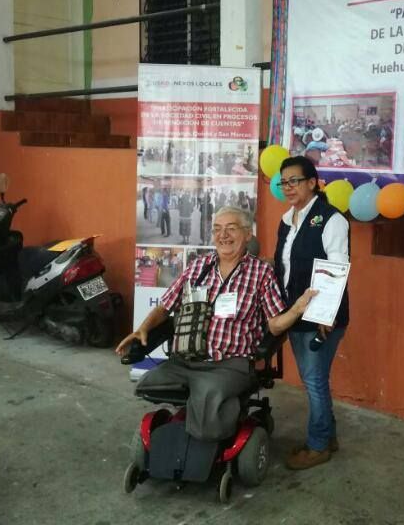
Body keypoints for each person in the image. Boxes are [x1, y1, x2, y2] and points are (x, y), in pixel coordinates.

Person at [116, 207, 315, 442]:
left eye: (231, 228)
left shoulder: (261, 273)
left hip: (230, 364)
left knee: (209, 403)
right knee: (150, 383)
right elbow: (165, 306)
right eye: (217, 229)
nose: (223, 235)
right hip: (187, 360)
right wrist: (143, 328)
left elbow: (274, 325)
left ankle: (214, 429)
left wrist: (297, 309)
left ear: (247, 234)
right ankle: (201, 417)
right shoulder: (198, 267)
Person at [273, 156, 349, 471]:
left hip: (321, 318)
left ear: (312, 183)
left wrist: (324, 315)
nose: (288, 187)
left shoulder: (331, 219)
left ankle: (318, 446)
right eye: (284, 182)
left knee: (314, 380)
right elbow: (283, 265)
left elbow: (336, 268)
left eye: (294, 181)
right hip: (294, 313)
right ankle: (327, 436)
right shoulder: (286, 220)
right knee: (313, 379)